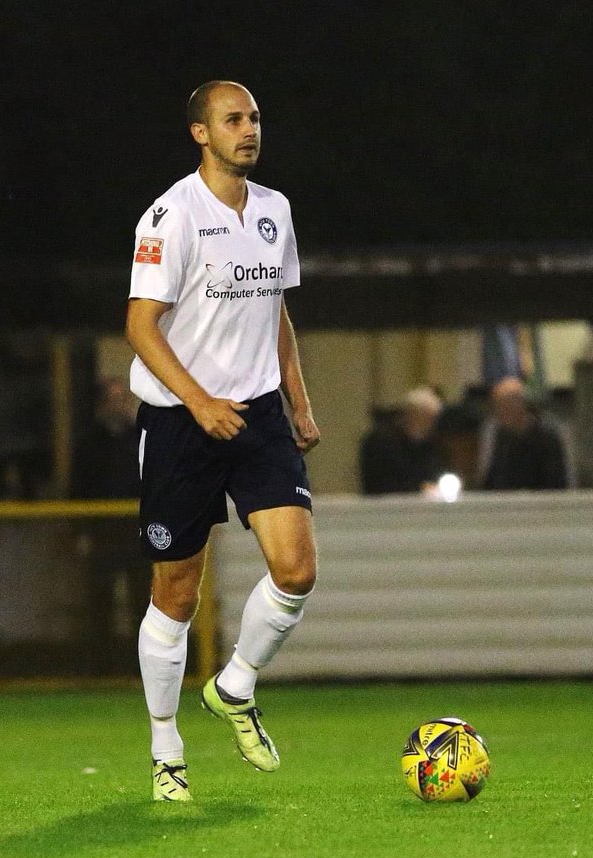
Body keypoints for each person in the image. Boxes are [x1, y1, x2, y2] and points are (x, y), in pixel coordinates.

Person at [125, 80, 320, 802]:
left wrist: (298, 403)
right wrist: (197, 400)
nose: (249, 129)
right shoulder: (171, 216)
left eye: (256, 118)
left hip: (258, 414)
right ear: (200, 133)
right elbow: (140, 326)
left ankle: (235, 685)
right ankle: (165, 747)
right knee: (176, 594)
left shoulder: (275, 210)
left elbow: (275, 313)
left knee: (296, 570)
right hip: (182, 421)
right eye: (233, 119)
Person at [70, 376, 150, 675]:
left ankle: (142, 668)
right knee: (99, 602)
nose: (119, 404)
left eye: (123, 398)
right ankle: (101, 669)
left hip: (138, 533)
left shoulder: (141, 438)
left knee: (143, 603)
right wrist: (79, 532)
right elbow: (76, 490)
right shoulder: (89, 444)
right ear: (102, 403)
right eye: (113, 398)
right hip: (103, 534)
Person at [476, 376, 569, 490]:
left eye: (502, 408)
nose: (498, 415)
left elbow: (557, 481)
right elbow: (490, 480)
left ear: (518, 406)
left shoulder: (547, 438)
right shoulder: (497, 437)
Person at [358, 385, 444, 495]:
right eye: (427, 419)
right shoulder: (380, 442)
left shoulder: (428, 444)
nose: (430, 426)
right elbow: (381, 481)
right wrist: (420, 488)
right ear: (412, 415)